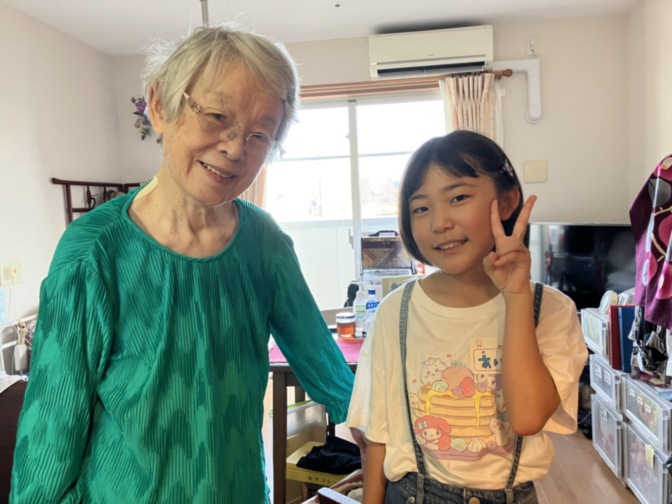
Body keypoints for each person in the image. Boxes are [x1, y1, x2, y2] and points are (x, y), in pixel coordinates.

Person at [11, 25, 354, 503]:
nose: (236, 148)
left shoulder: (265, 243)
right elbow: (52, 427)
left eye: (260, 134)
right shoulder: (95, 251)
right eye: (217, 116)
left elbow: (331, 374)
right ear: (159, 105)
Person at [347, 130, 588, 503]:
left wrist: (517, 297)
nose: (439, 222)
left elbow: (527, 419)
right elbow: (378, 433)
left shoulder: (551, 310)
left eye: (458, 197)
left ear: (506, 201)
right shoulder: (397, 310)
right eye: (421, 208)